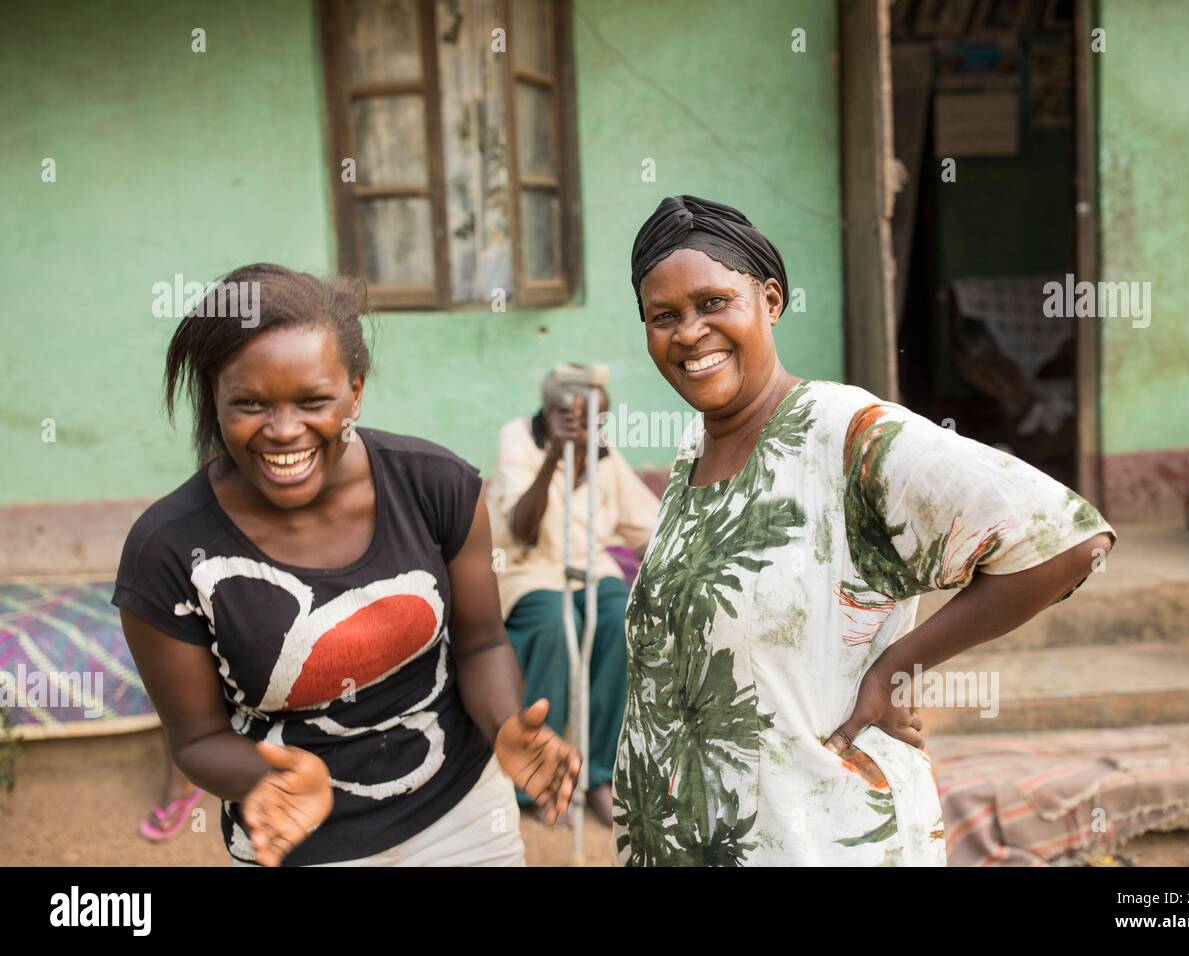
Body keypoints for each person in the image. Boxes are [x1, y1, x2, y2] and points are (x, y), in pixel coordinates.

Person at [614, 195, 1116, 866]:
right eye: (664, 317)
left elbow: (1063, 539)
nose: (689, 333)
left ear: (770, 299)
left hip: (819, 841)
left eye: (713, 303)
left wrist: (893, 669)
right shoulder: (689, 453)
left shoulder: (844, 431)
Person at [113, 263, 581, 867]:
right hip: (299, 844)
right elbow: (197, 738)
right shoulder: (168, 552)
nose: (284, 431)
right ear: (215, 399)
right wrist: (266, 776)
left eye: (313, 401)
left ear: (354, 391)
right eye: (251, 404)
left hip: (463, 816)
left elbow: (482, 645)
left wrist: (505, 723)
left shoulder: (436, 487)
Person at [489, 368, 660, 826]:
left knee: (618, 619)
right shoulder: (519, 439)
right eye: (582, 420)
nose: (593, 430)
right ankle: (538, 775)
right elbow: (521, 528)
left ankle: (599, 773)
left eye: (600, 419)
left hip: (591, 568)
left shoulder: (604, 454)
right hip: (531, 568)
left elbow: (649, 526)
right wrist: (554, 459)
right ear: (553, 414)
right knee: (549, 624)